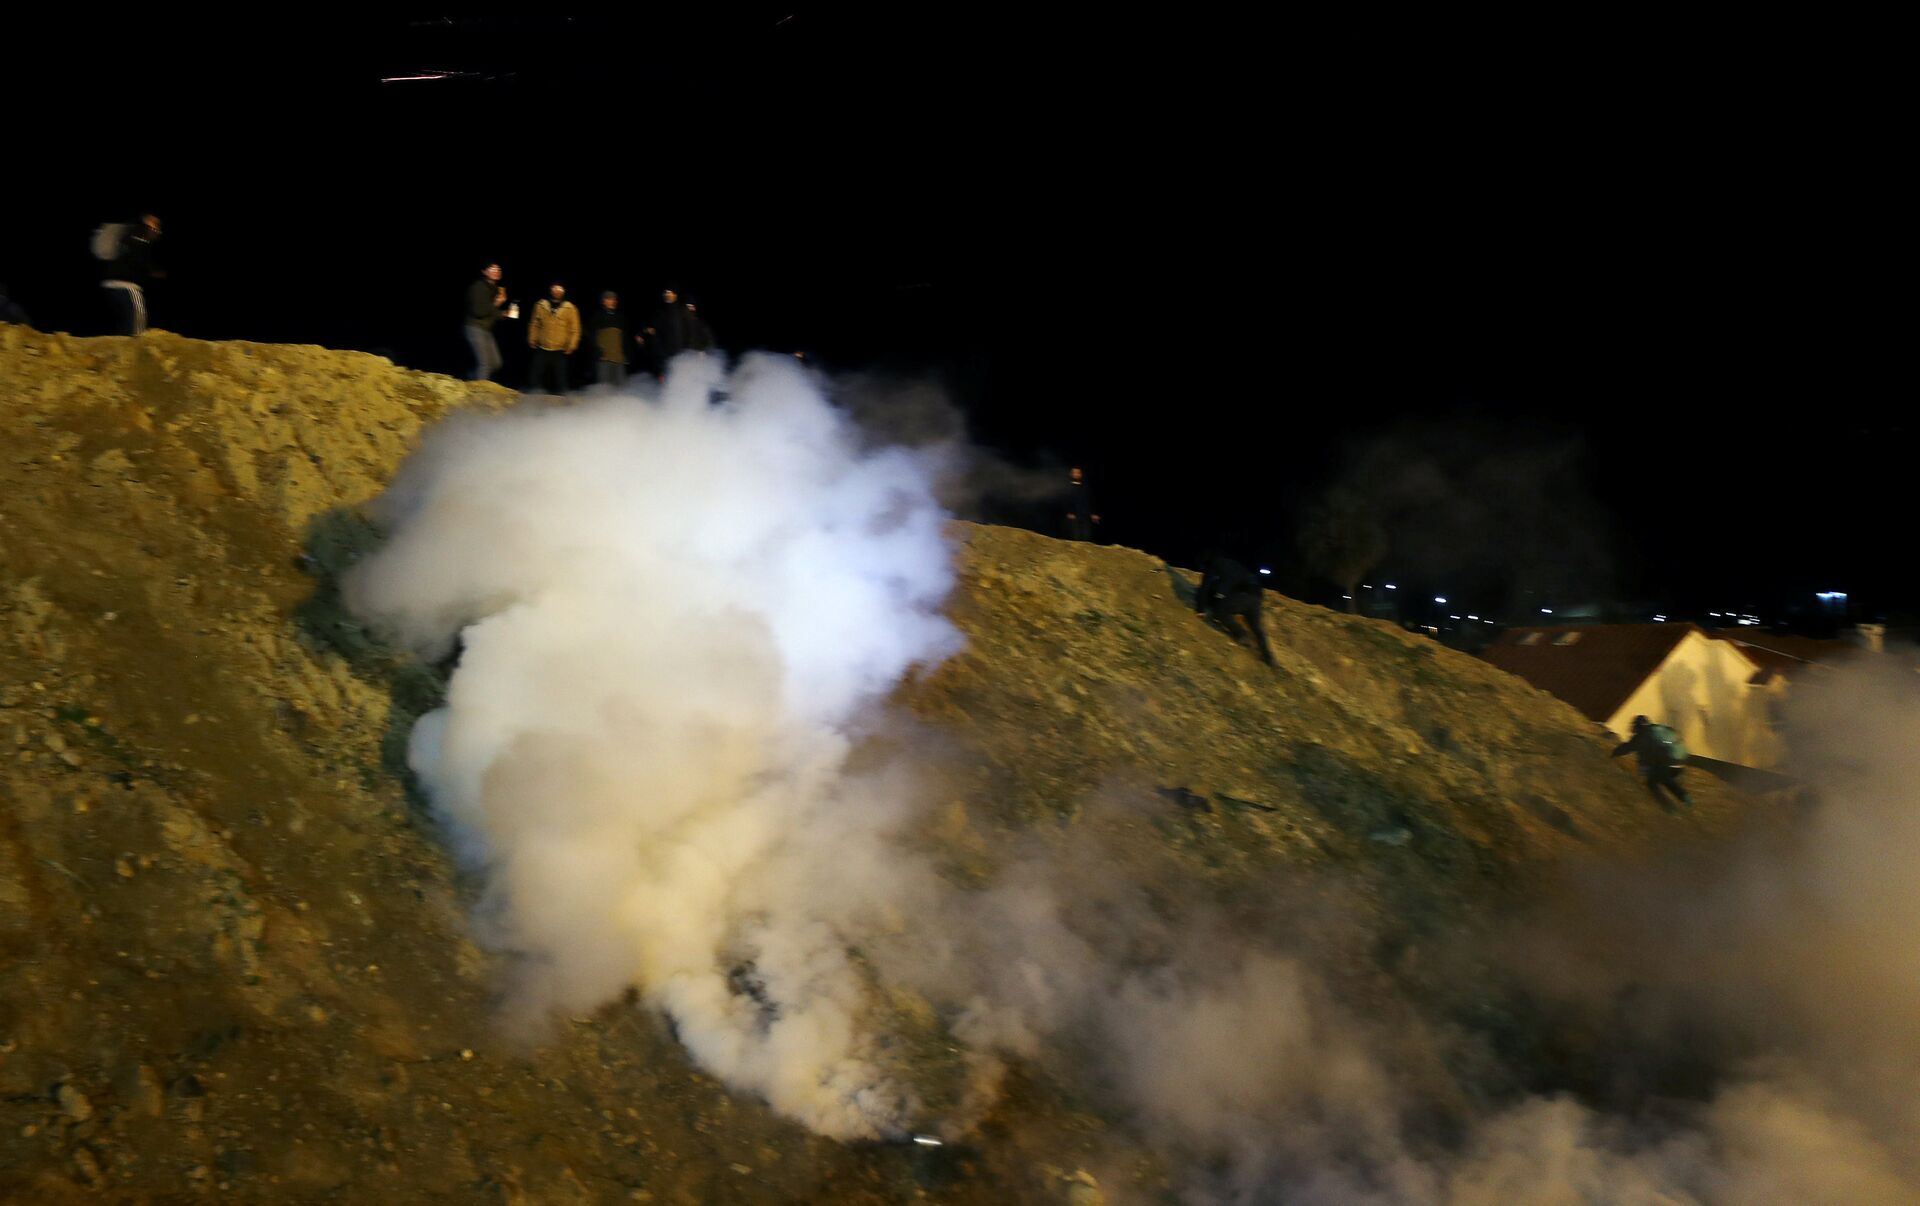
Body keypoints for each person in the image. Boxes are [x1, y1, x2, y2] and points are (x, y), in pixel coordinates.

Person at [1611, 715, 1694, 810]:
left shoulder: (1643, 735)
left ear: (1637, 726)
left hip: (1668, 763)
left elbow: (1627, 747)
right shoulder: (1658, 728)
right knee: (1664, 779)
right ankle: (1685, 797)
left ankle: (1669, 807)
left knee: (1652, 783)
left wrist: (1613, 754)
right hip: (1681, 763)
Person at [101, 213, 164, 335]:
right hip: (126, 286)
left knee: (126, 323)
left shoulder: (135, 239)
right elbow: (139, 260)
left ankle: (125, 338)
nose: (156, 232)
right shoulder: (137, 235)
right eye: (154, 228)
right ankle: (137, 339)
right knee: (138, 317)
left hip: (111, 285)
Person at [526, 282, 581, 395]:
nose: (557, 290)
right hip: (542, 346)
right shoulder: (541, 305)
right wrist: (532, 338)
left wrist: (572, 345)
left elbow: (575, 329)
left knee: (561, 379)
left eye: (560, 288)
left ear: (564, 291)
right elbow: (534, 323)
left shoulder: (570, 308)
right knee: (535, 376)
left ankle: (562, 399)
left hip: (560, 349)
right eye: (555, 288)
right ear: (550, 289)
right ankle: (532, 397)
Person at [465, 262, 509, 381]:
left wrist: (503, 314)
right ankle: (480, 390)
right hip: (474, 327)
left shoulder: (494, 289)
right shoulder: (478, 287)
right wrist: (497, 303)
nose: (496, 271)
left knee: (496, 363)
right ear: (484, 272)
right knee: (484, 364)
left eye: (498, 269)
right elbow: (479, 311)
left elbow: (491, 312)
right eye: (492, 269)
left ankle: (471, 378)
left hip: (486, 329)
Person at [591, 291, 636, 387]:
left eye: (614, 299)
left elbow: (625, 338)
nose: (612, 301)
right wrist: (597, 350)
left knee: (621, 387)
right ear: (603, 301)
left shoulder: (621, 317)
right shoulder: (598, 316)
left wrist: (627, 354)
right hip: (604, 358)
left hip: (619, 359)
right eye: (609, 299)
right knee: (604, 387)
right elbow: (592, 336)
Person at [647, 286, 690, 374]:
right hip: (665, 355)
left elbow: (689, 331)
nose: (666, 295)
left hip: (682, 354)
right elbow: (653, 330)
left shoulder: (682, 311)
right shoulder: (660, 313)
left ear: (675, 295)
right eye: (665, 293)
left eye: (669, 292)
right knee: (668, 375)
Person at [1064, 466, 1101, 542]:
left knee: (1086, 538)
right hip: (1073, 516)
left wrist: (1093, 514)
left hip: (1085, 516)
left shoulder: (1085, 487)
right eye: (1074, 472)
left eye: (1078, 473)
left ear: (1081, 474)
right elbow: (1065, 501)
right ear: (1071, 474)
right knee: (1075, 538)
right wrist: (1069, 512)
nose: (1076, 474)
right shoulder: (1067, 486)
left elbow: (1089, 501)